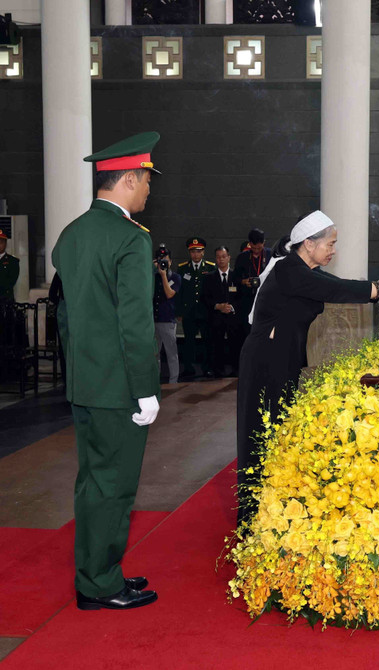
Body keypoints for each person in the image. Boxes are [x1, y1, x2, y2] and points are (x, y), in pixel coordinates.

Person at [237, 211, 379, 526]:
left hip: (283, 357)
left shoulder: (304, 270)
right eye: (329, 244)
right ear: (308, 243)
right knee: (262, 433)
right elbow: (339, 290)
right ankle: (254, 518)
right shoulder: (290, 271)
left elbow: (338, 285)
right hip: (266, 360)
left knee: (279, 430)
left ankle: (276, 508)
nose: (333, 250)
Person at [51, 131, 162, 611]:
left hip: (85, 381)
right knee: (114, 486)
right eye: (147, 181)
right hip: (119, 387)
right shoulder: (130, 238)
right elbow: (134, 323)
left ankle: (98, 571)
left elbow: (65, 315)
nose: (149, 191)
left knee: (93, 482)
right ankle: (99, 585)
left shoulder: (72, 234)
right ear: (130, 179)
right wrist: (146, 388)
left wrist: (78, 369)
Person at [176, 237, 215, 378]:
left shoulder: (210, 268)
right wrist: (179, 312)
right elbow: (179, 292)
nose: (196, 254)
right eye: (193, 251)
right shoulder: (182, 268)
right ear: (189, 253)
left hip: (205, 311)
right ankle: (189, 368)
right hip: (189, 312)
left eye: (198, 251)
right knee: (189, 342)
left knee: (207, 341)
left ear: (203, 252)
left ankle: (207, 368)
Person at [202, 245, 242, 377]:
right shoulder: (209, 277)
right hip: (216, 318)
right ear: (215, 259)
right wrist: (218, 306)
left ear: (229, 257)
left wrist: (231, 307)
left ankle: (235, 370)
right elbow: (205, 298)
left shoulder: (236, 276)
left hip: (233, 317)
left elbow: (242, 297)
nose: (221, 259)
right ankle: (218, 371)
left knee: (235, 344)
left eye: (224, 256)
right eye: (218, 257)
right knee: (216, 345)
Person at [153, 245, 181, 384]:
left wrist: (163, 275)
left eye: (166, 260)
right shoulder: (152, 276)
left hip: (168, 320)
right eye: (160, 260)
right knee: (154, 353)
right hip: (153, 319)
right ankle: (154, 380)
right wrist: (151, 269)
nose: (163, 263)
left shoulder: (175, 277)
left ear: (170, 262)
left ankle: (173, 381)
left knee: (171, 353)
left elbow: (169, 294)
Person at [235, 227, 272, 330]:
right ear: (250, 244)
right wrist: (243, 281)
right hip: (247, 300)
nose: (256, 251)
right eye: (253, 248)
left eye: (259, 248)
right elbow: (234, 278)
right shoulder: (242, 257)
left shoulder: (270, 255)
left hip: (266, 299)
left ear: (264, 243)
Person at [0, 229, 19, 301]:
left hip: (5, 299)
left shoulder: (12, 261)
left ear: (5, 243)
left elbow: (10, 282)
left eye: (1, 242)